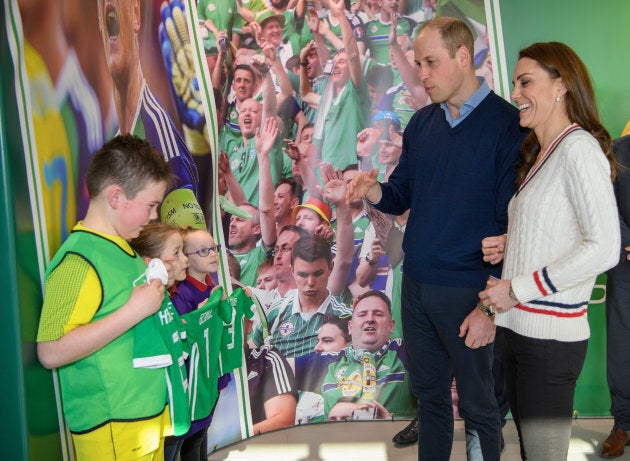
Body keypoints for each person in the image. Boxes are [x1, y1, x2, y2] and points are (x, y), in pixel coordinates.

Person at [347, 16, 527, 460]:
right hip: (418, 284)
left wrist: (488, 304)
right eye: (418, 63)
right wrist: (374, 191)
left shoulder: (507, 125)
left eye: (431, 63)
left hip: (469, 287)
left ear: (463, 57)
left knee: (481, 407)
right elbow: (401, 193)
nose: (422, 75)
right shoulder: (422, 123)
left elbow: (514, 225)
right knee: (430, 401)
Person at [479, 42, 620, 460]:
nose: (516, 93)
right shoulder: (543, 153)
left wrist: (516, 288)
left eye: (526, 82)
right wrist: (514, 242)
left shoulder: (578, 149)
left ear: (561, 86)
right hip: (520, 332)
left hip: (549, 343)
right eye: (514, 84)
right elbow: (562, 229)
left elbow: (605, 247)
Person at [36, 135, 173, 460]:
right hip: (114, 428)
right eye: (150, 205)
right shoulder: (78, 259)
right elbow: (50, 350)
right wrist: (133, 311)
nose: (154, 216)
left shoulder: (123, 248)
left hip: (144, 418)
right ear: (116, 197)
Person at [295, 290, 413, 421]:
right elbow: (278, 366)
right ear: (350, 327)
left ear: (391, 326)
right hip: (337, 440)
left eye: (378, 314)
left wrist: (391, 423)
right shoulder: (329, 361)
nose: (369, 319)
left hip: (391, 439)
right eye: (362, 315)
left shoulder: (406, 354)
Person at [599, 133, 630, 458]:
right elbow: (606, 205)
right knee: (622, 350)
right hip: (626, 266)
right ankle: (623, 423)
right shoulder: (618, 151)